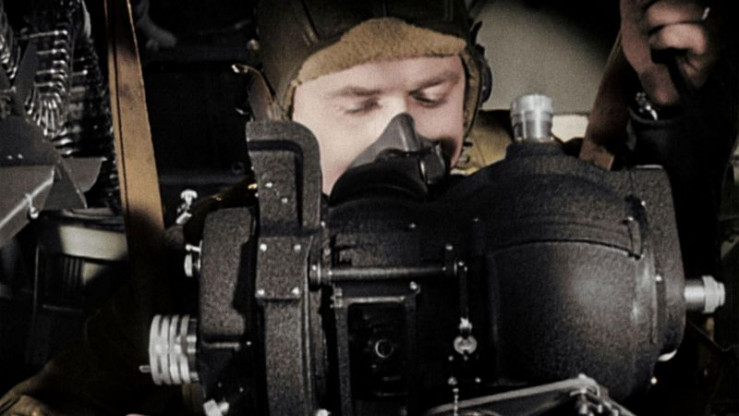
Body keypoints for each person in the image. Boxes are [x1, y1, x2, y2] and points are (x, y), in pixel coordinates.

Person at [0, 0, 732, 414]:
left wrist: (668, 106)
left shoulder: (528, 199)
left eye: (430, 96)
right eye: (358, 104)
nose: (400, 134)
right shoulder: (217, 266)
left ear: (471, 94)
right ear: (279, 114)